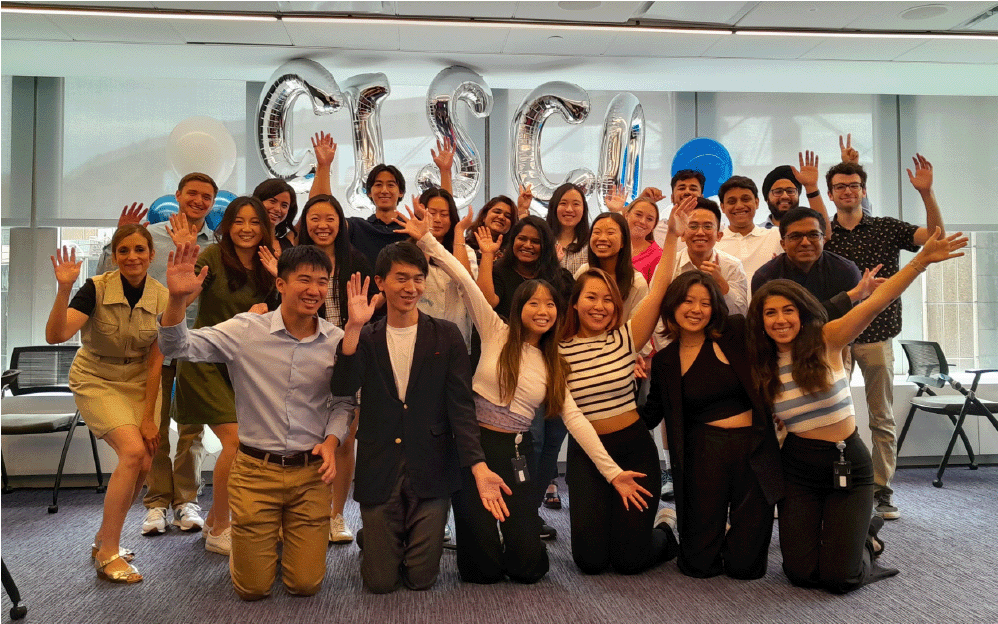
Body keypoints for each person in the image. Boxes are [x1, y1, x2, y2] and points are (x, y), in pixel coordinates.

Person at [397, 206, 645, 585]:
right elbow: (463, 277)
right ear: (520, 307)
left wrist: (613, 474)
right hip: (472, 449)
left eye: (550, 305)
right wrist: (427, 238)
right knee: (481, 571)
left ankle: (523, 541)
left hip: (516, 453)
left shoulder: (554, 363)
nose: (543, 311)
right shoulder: (496, 331)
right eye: (534, 303)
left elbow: (575, 420)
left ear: (560, 312)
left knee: (528, 569)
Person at [746, 228, 966, 593]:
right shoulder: (760, 360)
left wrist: (920, 261)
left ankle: (868, 538)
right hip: (798, 468)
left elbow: (876, 302)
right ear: (761, 320)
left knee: (840, 578)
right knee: (800, 573)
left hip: (847, 461)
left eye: (788, 310)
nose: (780, 319)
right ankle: (851, 534)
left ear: (802, 313)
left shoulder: (827, 339)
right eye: (770, 313)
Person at [159, 243, 354, 600]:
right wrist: (176, 301)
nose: (314, 290)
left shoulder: (336, 340)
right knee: (252, 588)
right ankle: (256, 550)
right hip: (255, 472)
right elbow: (176, 347)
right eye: (304, 280)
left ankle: (284, 544)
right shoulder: (246, 330)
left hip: (310, 475)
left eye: (322, 282)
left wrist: (332, 441)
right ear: (280, 284)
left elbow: (342, 403)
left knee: (305, 584)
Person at [331, 245, 509, 593]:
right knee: (380, 583)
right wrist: (352, 327)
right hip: (380, 462)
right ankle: (379, 535)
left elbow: (461, 406)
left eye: (418, 279)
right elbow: (343, 386)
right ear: (381, 282)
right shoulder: (365, 336)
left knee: (421, 580)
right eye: (401, 278)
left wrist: (477, 464)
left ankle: (390, 535)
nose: (410, 287)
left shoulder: (446, 334)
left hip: (432, 464)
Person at [558, 197, 694, 575]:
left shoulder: (627, 337)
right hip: (588, 456)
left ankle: (666, 528)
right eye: (590, 298)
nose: (599, 306)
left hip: (634, 451)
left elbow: (661, 286)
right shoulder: (558, 349)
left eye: (607, 299)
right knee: (590, 562)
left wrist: (671, 239)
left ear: (617, 306)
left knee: (630, 560)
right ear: (575, 303)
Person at [823, 156, 946, 520]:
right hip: (837, 340)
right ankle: (836, 486)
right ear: (831, 195)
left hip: (877, 337)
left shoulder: (887, 228)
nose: (848, 191)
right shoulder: (823, 234)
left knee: (881, 417)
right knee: (831, 415)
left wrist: (926, 192)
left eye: (854, 185)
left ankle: (881, 492)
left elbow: (935, 239)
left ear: (863, 191)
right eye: (840, 187)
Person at [642, 266, 784, 580]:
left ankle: (734, 535)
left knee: (745, 569)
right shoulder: (666, 361)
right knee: (698, 566)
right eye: (688, 301)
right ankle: (668, 525)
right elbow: (651, 414)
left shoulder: (734, 332)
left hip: (752, 450)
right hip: (703, 454)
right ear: (673, 305)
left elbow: (782, 331)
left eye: (705, 303)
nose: (696, 310)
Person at [47, 225, 168, 584]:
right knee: (132, 453)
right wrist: (65, 288)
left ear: (151, 255)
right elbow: (55, 336)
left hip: (140, 381)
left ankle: (103, 535)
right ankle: (109, 552)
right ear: (114, 256)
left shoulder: (161, 295)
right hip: (96, 377)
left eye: (140, 250)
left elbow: (157, 359)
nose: (133, 257)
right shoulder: (95, 289)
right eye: (124, 251)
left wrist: (149, 418)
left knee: (144, 461)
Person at [261, 192, 375, 544]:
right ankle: (296, 515)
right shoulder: (291, 262)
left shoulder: (356, 261)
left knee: (343, 439)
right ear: (304, 224)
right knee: (303, 435)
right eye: (315, 218)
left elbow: (370, 314)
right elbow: (275, 307)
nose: (323, 225)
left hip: (349, 357)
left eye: (330, 218)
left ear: (341, 223)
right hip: (304, 358)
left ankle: (335, 515)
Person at [173, 196, 277, 555]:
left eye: (254, 222)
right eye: (238, 222)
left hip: (244, 366)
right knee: (234, 442)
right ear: (227, 226)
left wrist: (280, 279)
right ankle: (221, 527)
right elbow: (184, 299)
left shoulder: (271, 262)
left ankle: (217, 522)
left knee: (246, 443)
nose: (246, 229)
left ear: (265, 227)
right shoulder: (212, 258)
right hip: (205, 360)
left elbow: (290, 313)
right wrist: (180, 291)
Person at [140, 173, 217, 538]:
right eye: (193, 194)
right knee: (153, 429)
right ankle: (156, 502)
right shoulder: (150, 238)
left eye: (207, 197)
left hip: (196, 346)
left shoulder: (216, 245)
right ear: (178, 196)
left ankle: (186, 499)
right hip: (152, 346)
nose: (199, 201)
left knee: (191, 429)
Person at [310, 132, 454, 267]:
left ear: (401, 192)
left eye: (391, 185)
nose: (384, 190)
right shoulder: (357, 227)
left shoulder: (412, 229)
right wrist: (324, 166)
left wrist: (445, 172)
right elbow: (321, 207)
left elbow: (446, 209)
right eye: (378, 185)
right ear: (369, 193)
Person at [752, 207, 878, 322]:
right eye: (796, 236)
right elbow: (767, 325)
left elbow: (851, 323)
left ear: (823, 240)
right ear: (783, 244)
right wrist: (847, 298)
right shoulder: (766, 277)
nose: (805, 242)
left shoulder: (845, 270)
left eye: (813, 235)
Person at [414, 187, 478, 348]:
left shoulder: (466, 251)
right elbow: (418, 276)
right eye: (431, 213)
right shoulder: (407, 249)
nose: (437, 219)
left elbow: (464, 281)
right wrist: (425, 233)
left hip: (456, 338)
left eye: (444, 214)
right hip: (418, 336)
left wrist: (459, 231)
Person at [714, 175, 783, 287]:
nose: (739, 206)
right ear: (722, 207)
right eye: (732, 201)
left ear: (756, 203)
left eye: (745, 199)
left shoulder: (776, 235)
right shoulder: (714, 243)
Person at [759, 153, 830, 233]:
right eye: (778, 192)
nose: (785, 196)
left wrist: (811, 187)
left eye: (790, 191)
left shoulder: (809, 229)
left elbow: (825, 235)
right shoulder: (756, 233)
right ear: (767, 198)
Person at [650, 169, 704, 247]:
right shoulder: (656, 229)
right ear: (672, 198)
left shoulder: (713, 230)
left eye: (693, 189)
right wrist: (643, 200)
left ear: (702, 197)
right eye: (681, 188)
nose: (687, 192)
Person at [545, 182, 590, 275]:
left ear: (584, 209)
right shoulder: (543, 241)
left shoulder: (591, 244)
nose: (569, 209)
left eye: (576, 204)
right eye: (563, 203)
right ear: (554, 207)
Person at [464, 195, 517, 260]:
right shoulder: (465, 246)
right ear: (484, 216)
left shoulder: (513, 254)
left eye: (508, 216)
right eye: (497, 212)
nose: (501, 217)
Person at [623, 198, 662, 283]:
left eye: (649, 219)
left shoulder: (658, 256)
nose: (642, 221)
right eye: (638, 214)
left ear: (654, 226)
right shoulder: (613, 245)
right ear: (626, 215)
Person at [252, 178, 298, 250]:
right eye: (272, 201)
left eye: (284, 205)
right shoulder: (244, 241)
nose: (277, 209)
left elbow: (313, 202)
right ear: (258, 201)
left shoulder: (288, 243)